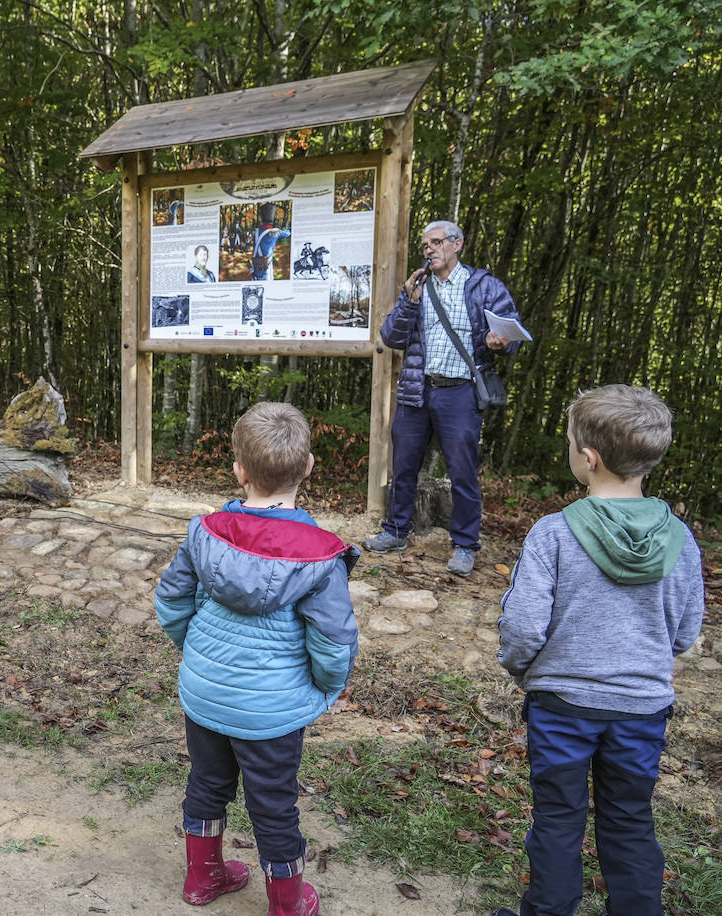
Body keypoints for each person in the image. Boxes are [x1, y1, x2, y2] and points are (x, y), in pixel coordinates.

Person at [493, 385, 703, 916]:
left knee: (559, 819)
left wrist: (524, 670)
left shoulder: (554, 534)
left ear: (589, 458)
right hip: (641, 709)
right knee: (630, 819)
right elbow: (684, 633)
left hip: (562, 707)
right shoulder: (680, 540)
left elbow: (521, 628)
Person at [155, 401, 358, 913]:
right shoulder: (319, 556)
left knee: (206, 783)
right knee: (273, 805)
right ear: (309, 467)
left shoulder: (205, 533)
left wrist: (196, 649)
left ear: (238, 471)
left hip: (206, 692)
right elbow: (333, 642)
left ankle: (203, 878)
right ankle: (288, 903)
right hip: (272, 711)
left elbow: (171, 600)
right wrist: (326, 686)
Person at [362, 220, 521, 576]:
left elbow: (510, 334)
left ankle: (465, 544)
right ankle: (396, 531)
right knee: (403, 467)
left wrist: (502, 342)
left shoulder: (484, 286)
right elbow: (391, 337)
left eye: (436, 243)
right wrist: (408, 303)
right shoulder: (417, 287)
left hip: (461, 392)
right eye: (425, 245)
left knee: (462, 472)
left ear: (457, 244)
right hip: (417, 390)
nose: (429, 250)